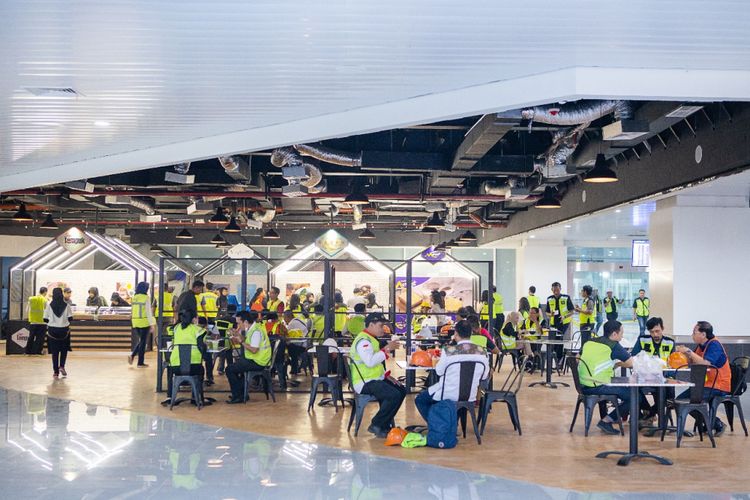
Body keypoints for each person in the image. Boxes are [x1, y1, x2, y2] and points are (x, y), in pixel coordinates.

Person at [415, 320, 490, 423]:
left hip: (447, 394)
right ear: (471, 333)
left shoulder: (449, 351)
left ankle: (438, 425)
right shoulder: (482, 352)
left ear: (456, 334)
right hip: (470, 396)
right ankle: (447, 424)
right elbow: (484, 376)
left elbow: (439, 372)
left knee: (420, 400)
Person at [349, 313, 405, 438]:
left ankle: (384, 424)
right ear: (371, 325)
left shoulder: (371, 339)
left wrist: (385, 376)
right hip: (364, 382)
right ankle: (377, 424)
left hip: (374, 379)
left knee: (401, 390)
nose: (383, 329)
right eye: (381, 326)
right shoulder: (364, 341)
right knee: (393, 395)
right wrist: (386, 349)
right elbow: (370, 362)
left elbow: (375, 365)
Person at [675, 321, 732, 435]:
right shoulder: (701, 346)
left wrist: (689, 351)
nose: (692, 335)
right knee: (679, 401)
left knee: (688, 402)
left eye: (694, 332)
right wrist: (683, 355)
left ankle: (716, 423)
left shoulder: (714, 344)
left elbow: (706, 363)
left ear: (703, 334)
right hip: (705, 385)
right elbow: (693, 361)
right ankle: (709, 422)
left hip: (718, 385)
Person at [578, 320, 634, 435]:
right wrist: (618, 364)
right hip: (597, 385)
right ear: (614, 334)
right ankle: (606, 421)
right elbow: (630, 363)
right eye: (621, 333)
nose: (622, 336)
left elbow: (577, 358)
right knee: (634, 395)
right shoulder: (613, 345)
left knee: (624, 391)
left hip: (582, 385)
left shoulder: (590, 342)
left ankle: (609, 416)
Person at [631, 316, 675, 421]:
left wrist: (669, 376)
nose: (655, 334)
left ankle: (649, 414)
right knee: (633, 391)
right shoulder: (642, 340)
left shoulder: (670, 342)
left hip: (664, 378)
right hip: (645, 378)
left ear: (662, 328)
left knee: (669, 396)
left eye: (657, 331)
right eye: (652, 332)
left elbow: (673, 364)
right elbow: (634, 357)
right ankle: (645, 412)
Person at [226, 311, 271, 404]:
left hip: (259, 361)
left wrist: (241, 342)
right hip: (254, 359)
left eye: (239, 323)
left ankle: (238, 395)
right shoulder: (251, 328)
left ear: (245, 322)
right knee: (237, 368)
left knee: (229, 369)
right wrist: (236, 334)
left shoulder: (256, 331)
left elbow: (254, 350)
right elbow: (246, 340)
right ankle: (241, 394)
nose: (238, 325)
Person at [166, 309, 205, 401]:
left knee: (170, 370)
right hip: (193, 367)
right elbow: (201, 347)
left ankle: (170, 396)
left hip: (177, 366)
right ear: (194, 319)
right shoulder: (198, 330)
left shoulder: (175, 328)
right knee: (201, 370)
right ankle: (198, 397)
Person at [43, 288, 73, 378]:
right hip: (64, 331)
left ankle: (55, 372)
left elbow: (45, 319)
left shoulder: (49, 305)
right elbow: (70, 318)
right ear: (61, 294)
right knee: (64, 350)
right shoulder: (66, 305)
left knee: (55, 352)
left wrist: (52, 320)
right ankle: (62, 366)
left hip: (52, 331)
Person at [546, 281, 573, 365]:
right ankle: (556, 358)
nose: (555, 291)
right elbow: (547, 312)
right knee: (554, 340)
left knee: (559, 339)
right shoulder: (549, 298)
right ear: (552, 289)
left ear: (560, 289)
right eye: (554, 289)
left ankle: (560, 359)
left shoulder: (566, 297)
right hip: (554, 322)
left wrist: (564, 316)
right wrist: (551, 314)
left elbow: (572, 311)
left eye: (557, 289)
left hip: (564, 322)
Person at [129, 282, 155, 367]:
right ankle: (140, 362)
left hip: (135, 321)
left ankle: (133, 356)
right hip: (144, 321)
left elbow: (132, 310)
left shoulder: (134, 297)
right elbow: (148, 312)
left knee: (142, 341)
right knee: (143, 342)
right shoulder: (146, 298)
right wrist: (152, 324)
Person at [283, 309, 309, 375]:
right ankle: (293, 366)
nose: (284, 320)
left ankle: (291, 365)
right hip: (305, 343)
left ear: (287, 317)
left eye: (284, 318)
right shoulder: (297, 320)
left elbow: (287, 335)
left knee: (287, 347)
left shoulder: (292, 324)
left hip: (301, 345)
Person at [26, 287, 48, 355]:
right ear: (45, 292)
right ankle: (38, 351)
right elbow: (47, 311)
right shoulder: (45, 300)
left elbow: (26, 310)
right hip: (42, 322)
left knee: (31, 337)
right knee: (40, 338)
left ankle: (28, 351)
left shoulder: (31, 299)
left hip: (33, 322)